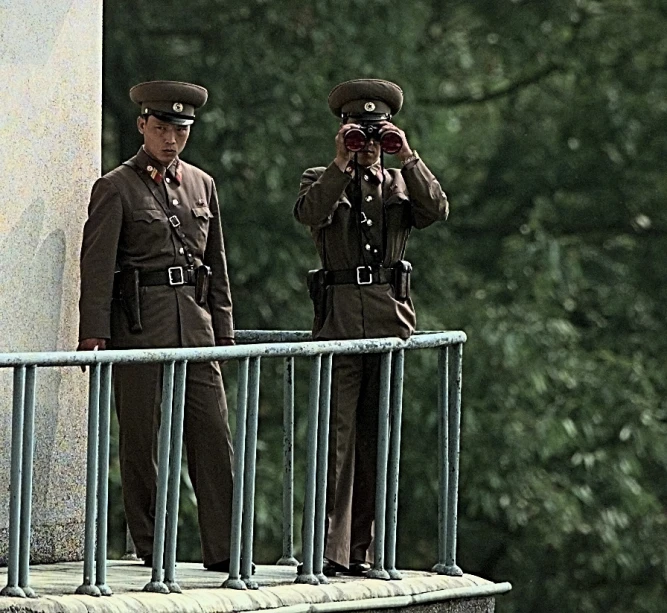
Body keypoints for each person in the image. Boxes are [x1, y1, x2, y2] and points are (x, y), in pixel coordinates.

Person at [77, 80, 235, 572]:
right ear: (142, 125)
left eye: (180, 130)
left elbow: (217, 263)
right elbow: (97, 266)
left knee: (212, 435)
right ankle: (150, 545)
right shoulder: (116, 187)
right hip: (140, 325)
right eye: (162, 128)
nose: (171, 139)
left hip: (196, 324)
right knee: (141, 440)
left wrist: (224, 332)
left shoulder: (201, 184)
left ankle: (226, 549)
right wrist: (94, 332)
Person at [294, 78, 449, 576]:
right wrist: (341, 164)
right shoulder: (320, 177)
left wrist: (409, 157)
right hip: (339, 319)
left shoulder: (402, 182)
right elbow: (309, 214)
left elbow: (437, 210)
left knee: (376, 437)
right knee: (335, 438)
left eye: (375, 133)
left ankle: (364, 548)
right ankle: (328, 551)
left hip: (387, 319)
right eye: (356, 133)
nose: (365, 144)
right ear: (341, 132)